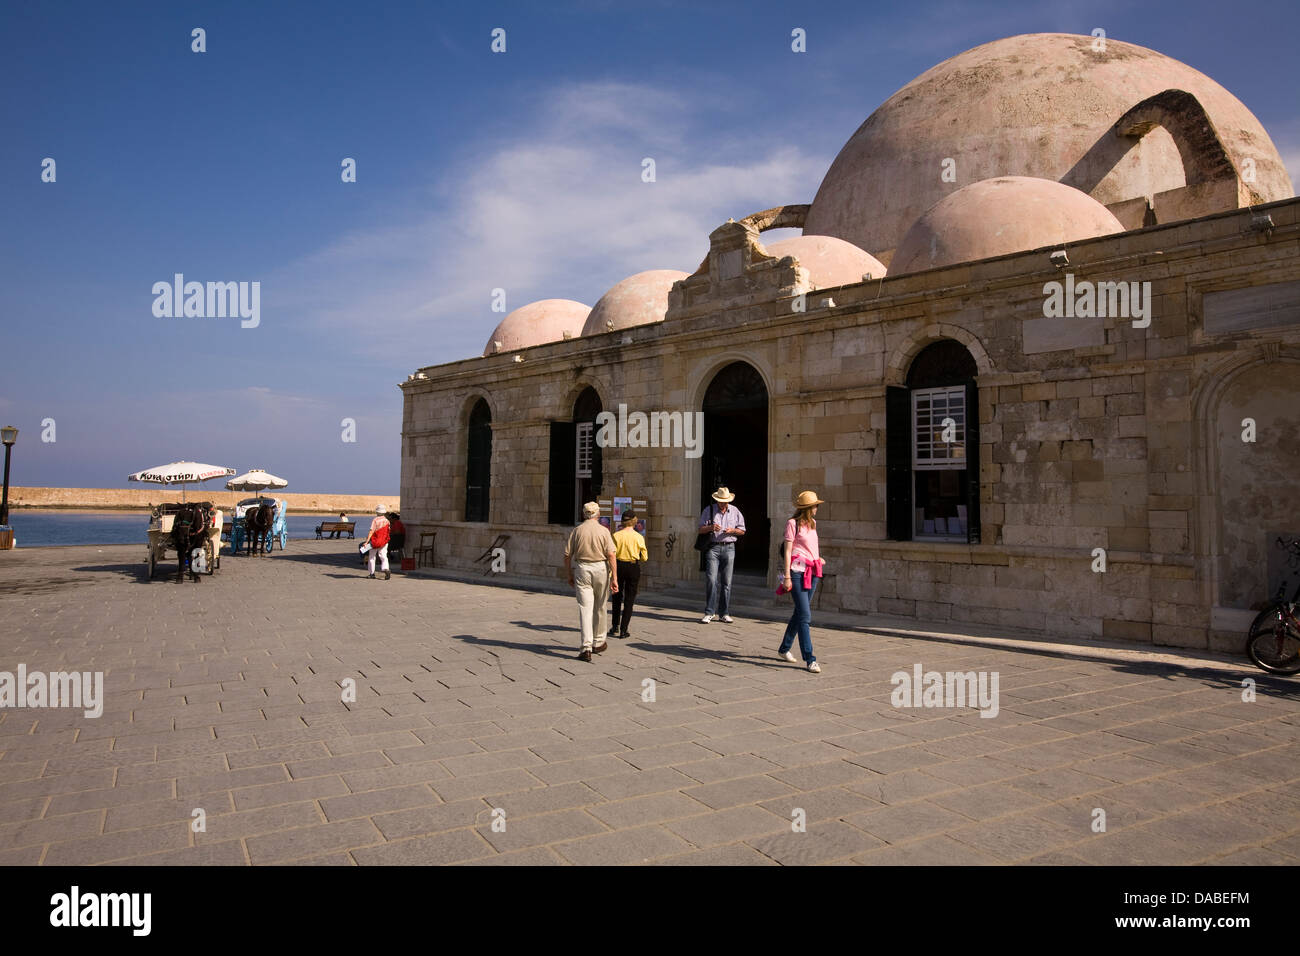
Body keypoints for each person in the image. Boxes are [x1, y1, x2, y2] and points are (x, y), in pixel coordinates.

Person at [778, 490, 826, 673]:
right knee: (805, 616)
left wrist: (818, 558)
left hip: (813, 571)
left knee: (799, 613)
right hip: (797, 573)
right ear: (808, 507)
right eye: (815, 505)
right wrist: (787, 576)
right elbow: (789, 551)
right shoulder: (792, 524)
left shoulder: (813, 524)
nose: (817, 508)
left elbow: (812, 546)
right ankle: (810, 659)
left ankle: (784, 649)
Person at [564, 501, 619, 661]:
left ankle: (586, 647)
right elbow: (611, 555)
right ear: (598, 514)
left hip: (582, 568)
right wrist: (614, 577)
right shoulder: (604, 531)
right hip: (600, 568)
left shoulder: (577, 530)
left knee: (585, 608)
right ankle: (599, 641)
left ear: (584, 514)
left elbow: (567, 555)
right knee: (600, 606)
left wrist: (569, 574)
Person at [699, 486, 745, 623]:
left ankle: (724, 613)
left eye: (725, 501)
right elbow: (700, 529)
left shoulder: (735, 511)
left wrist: (733, 531)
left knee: (727, 582)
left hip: (729, 548)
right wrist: (711, 528)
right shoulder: (709, 510)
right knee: (712, 580)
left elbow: (742, 530)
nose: (722, 504)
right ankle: (709, 612)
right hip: (713, 548)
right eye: (720, 501)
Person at [610, 510, 648, 638]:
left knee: (616, 597)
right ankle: (624, 630)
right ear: (634, 521)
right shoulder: (639, 537)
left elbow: (612, 554)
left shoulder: (616, 535)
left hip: (619, 565)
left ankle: (615, 626)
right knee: (629, 599)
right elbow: (644, 557)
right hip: (633, 566)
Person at [363, 504, 391, 580]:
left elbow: (371, 531)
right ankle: (386, 569)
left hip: (375, 541)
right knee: (383, 556)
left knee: (372, 557)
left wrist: (366, 541)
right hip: (384, 541)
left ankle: (372, 573)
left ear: (377, 512)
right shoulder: (387, 521)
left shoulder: (375, 520)